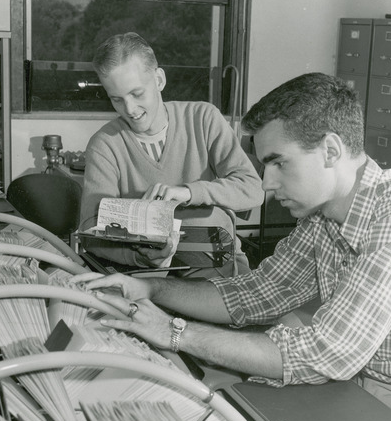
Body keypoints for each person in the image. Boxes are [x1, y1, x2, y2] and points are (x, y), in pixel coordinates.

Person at [74, 72, 391, 421]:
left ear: (330, 150)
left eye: (278, 162)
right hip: (371, 385)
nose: (265, 184)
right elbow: (253, 295)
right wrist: (148, 288)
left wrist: (175, 333)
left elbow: (327, 352)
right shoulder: (325, 217)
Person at [79, 32, 264, 276]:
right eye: (117, 100)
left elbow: (252, 189)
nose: (130, 110)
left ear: (159, 80)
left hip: (217, 267)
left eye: (137, 94)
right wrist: (143, 258)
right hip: (146, 275)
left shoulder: (203, 119)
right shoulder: (104, 144)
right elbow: (91, 230)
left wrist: (188, 192)